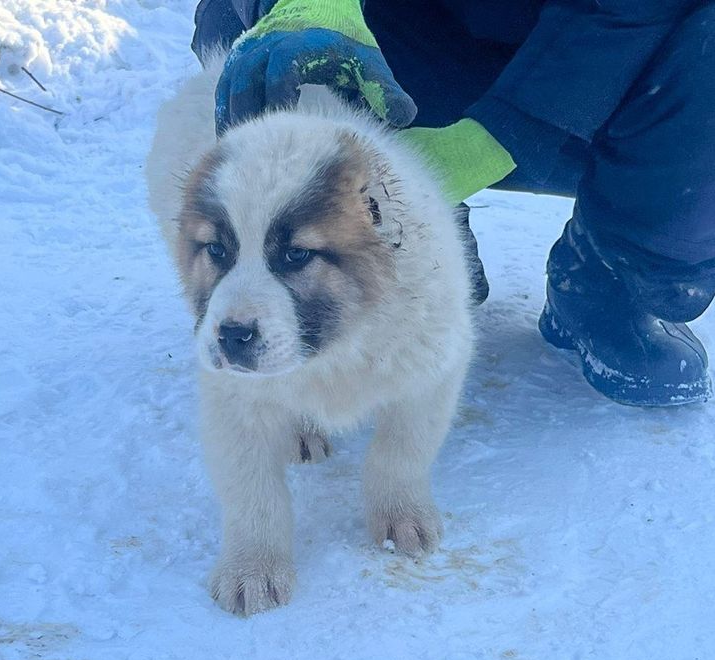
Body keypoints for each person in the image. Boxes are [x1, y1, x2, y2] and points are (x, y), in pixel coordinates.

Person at [189, 0, 715, 407]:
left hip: (607, 71)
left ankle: (604, 271)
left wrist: (498, 138)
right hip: (403, 42)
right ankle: (388, 225)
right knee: (258, 44)